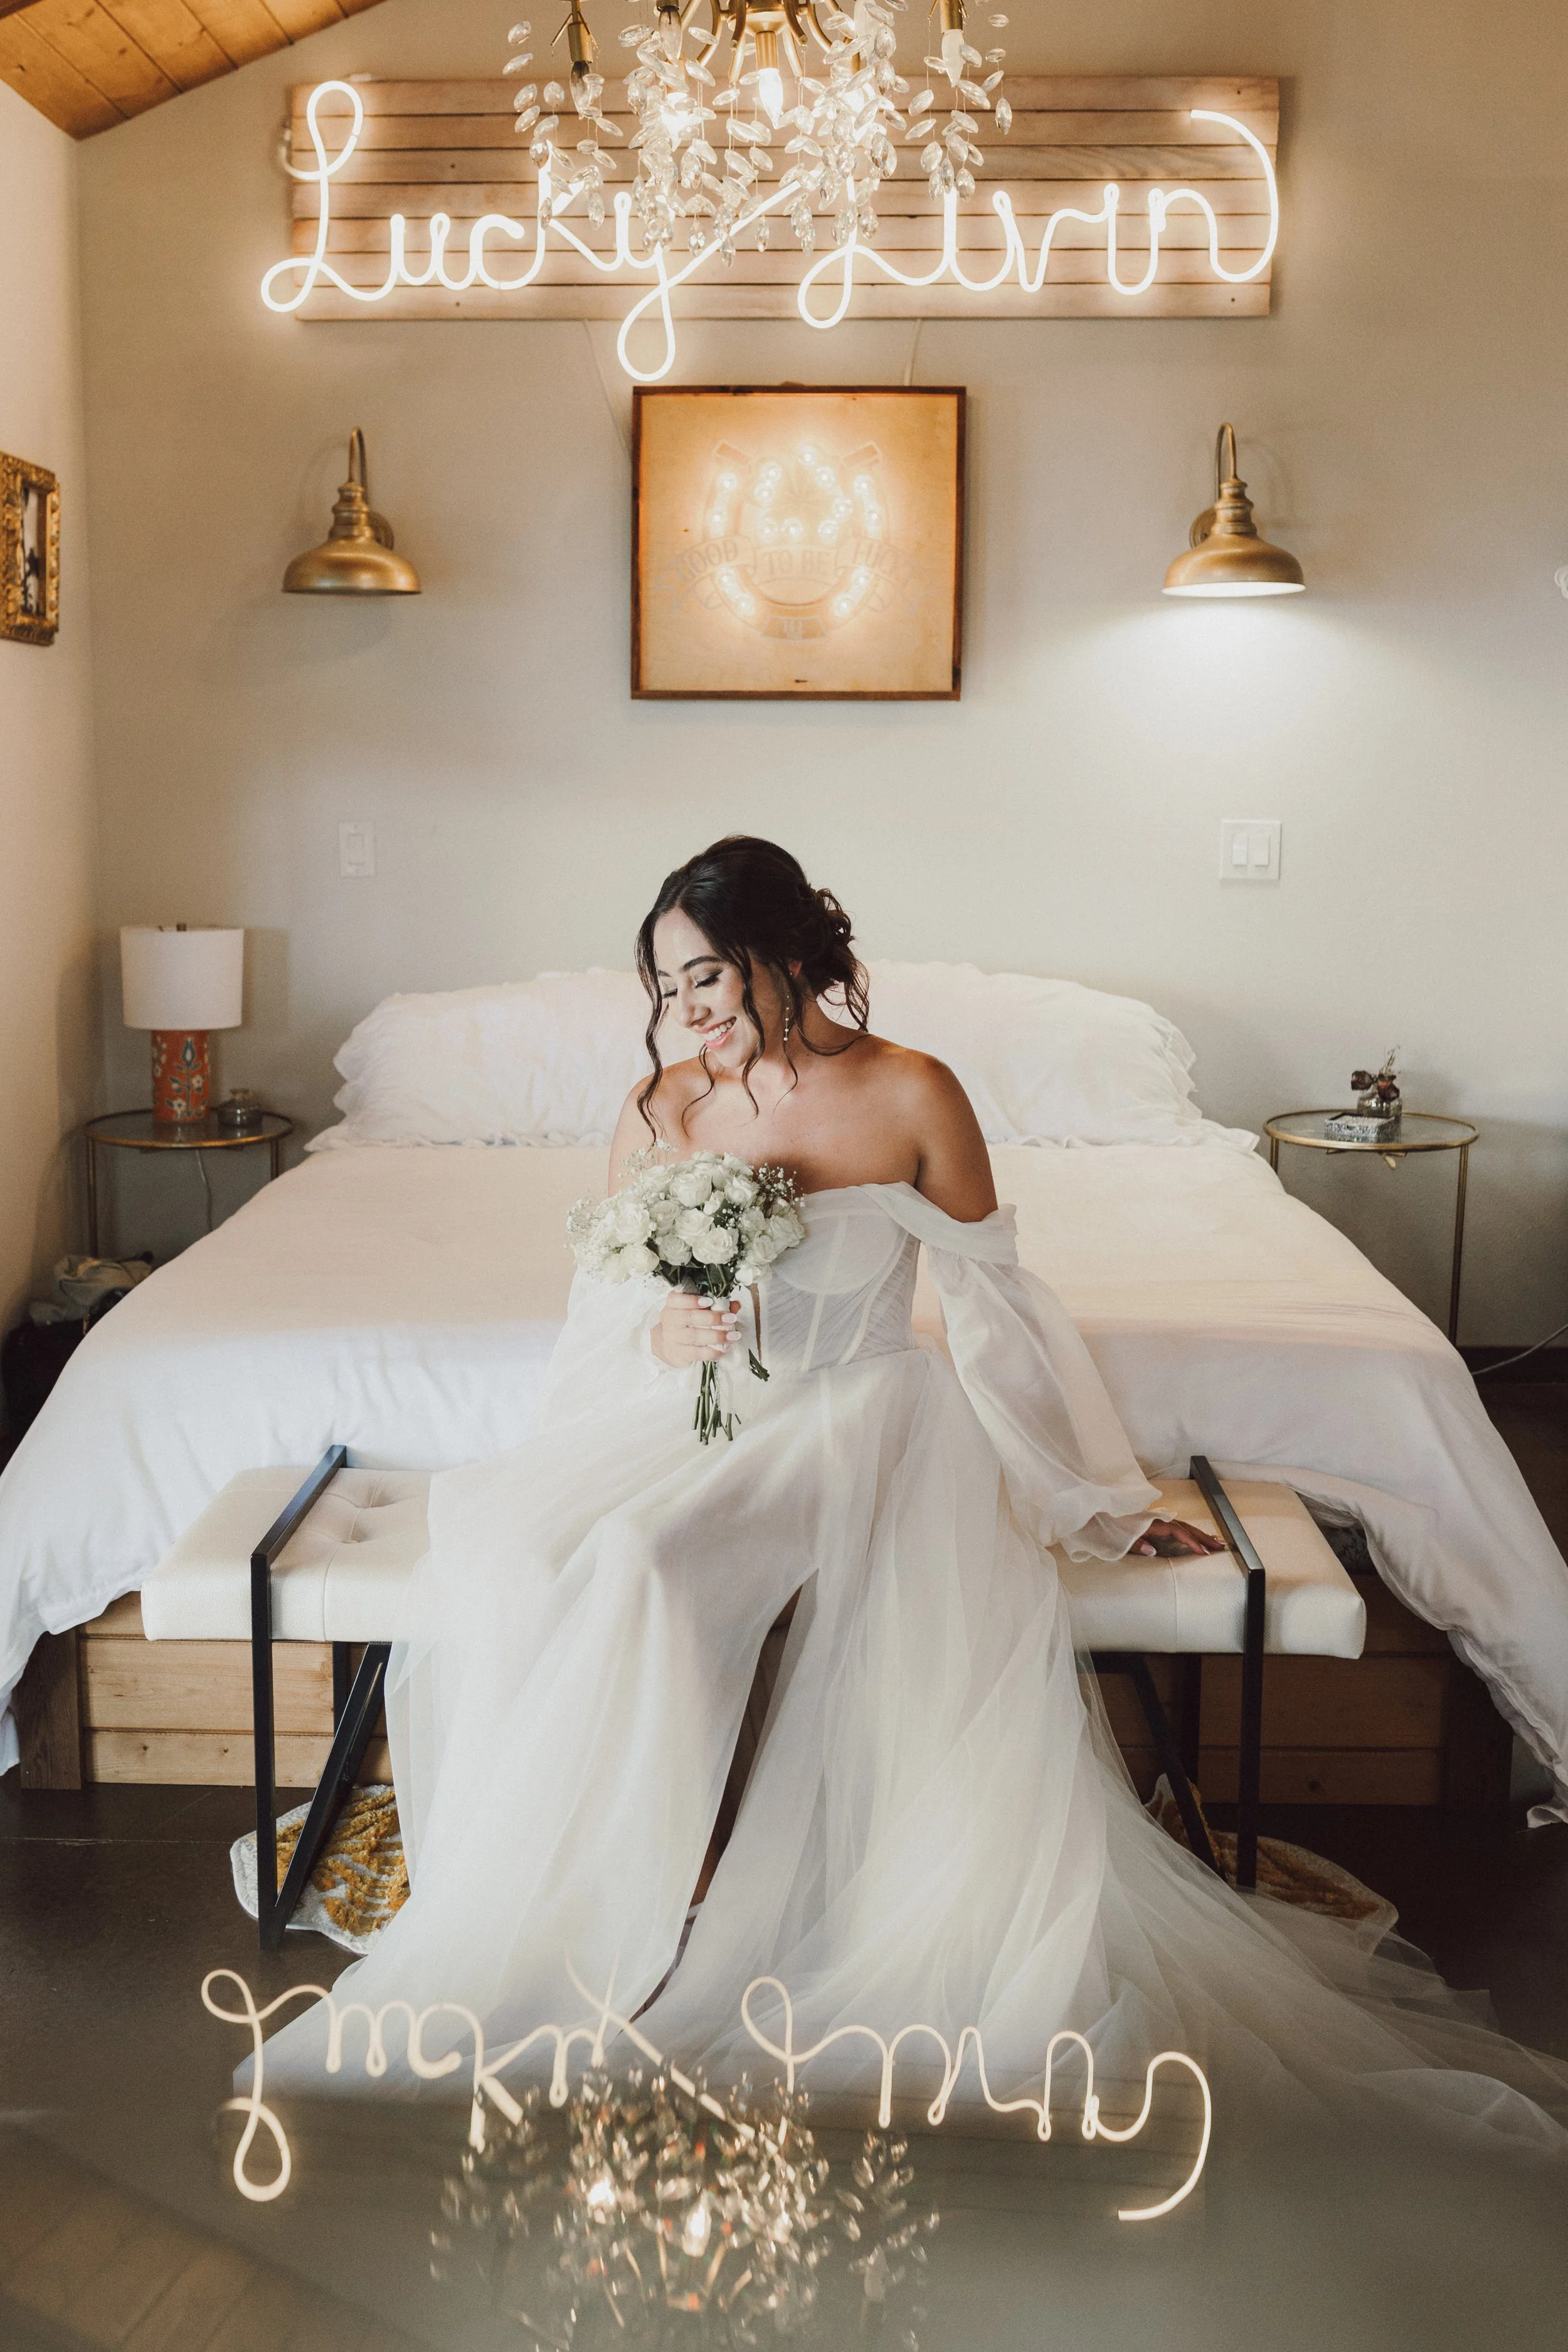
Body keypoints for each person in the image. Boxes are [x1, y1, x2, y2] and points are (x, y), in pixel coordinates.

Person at [267, 837, 1567, 2150]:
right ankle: (592, 1894)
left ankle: (683, 1898)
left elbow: (996, 1305)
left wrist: (1092, 1493)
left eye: (707, 974)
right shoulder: (664, 1105)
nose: (689, 1011)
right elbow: (613, 1302)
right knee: (529, 1542)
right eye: (666, 985)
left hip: (864, 1407)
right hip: (697, 1414)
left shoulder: (910, 1092)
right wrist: (665, 1337)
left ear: (787, 956)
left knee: (641, 1564)